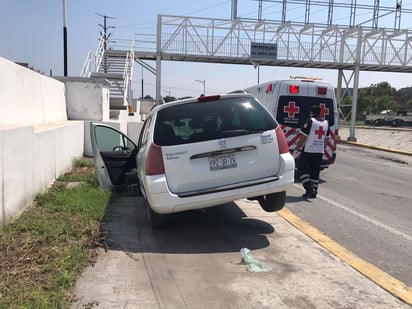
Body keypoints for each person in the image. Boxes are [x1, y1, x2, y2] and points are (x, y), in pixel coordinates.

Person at [295, 105, 330, 199]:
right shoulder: (326, 123)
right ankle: (314, 192)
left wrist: (298, 148)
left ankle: (309, 189)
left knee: (301, 169)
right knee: (315, 172)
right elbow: (327, 140)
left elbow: (303, 137)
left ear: (311, 112)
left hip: (308, 150)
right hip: (319, 152)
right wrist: (321, 148)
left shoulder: (310, 121)